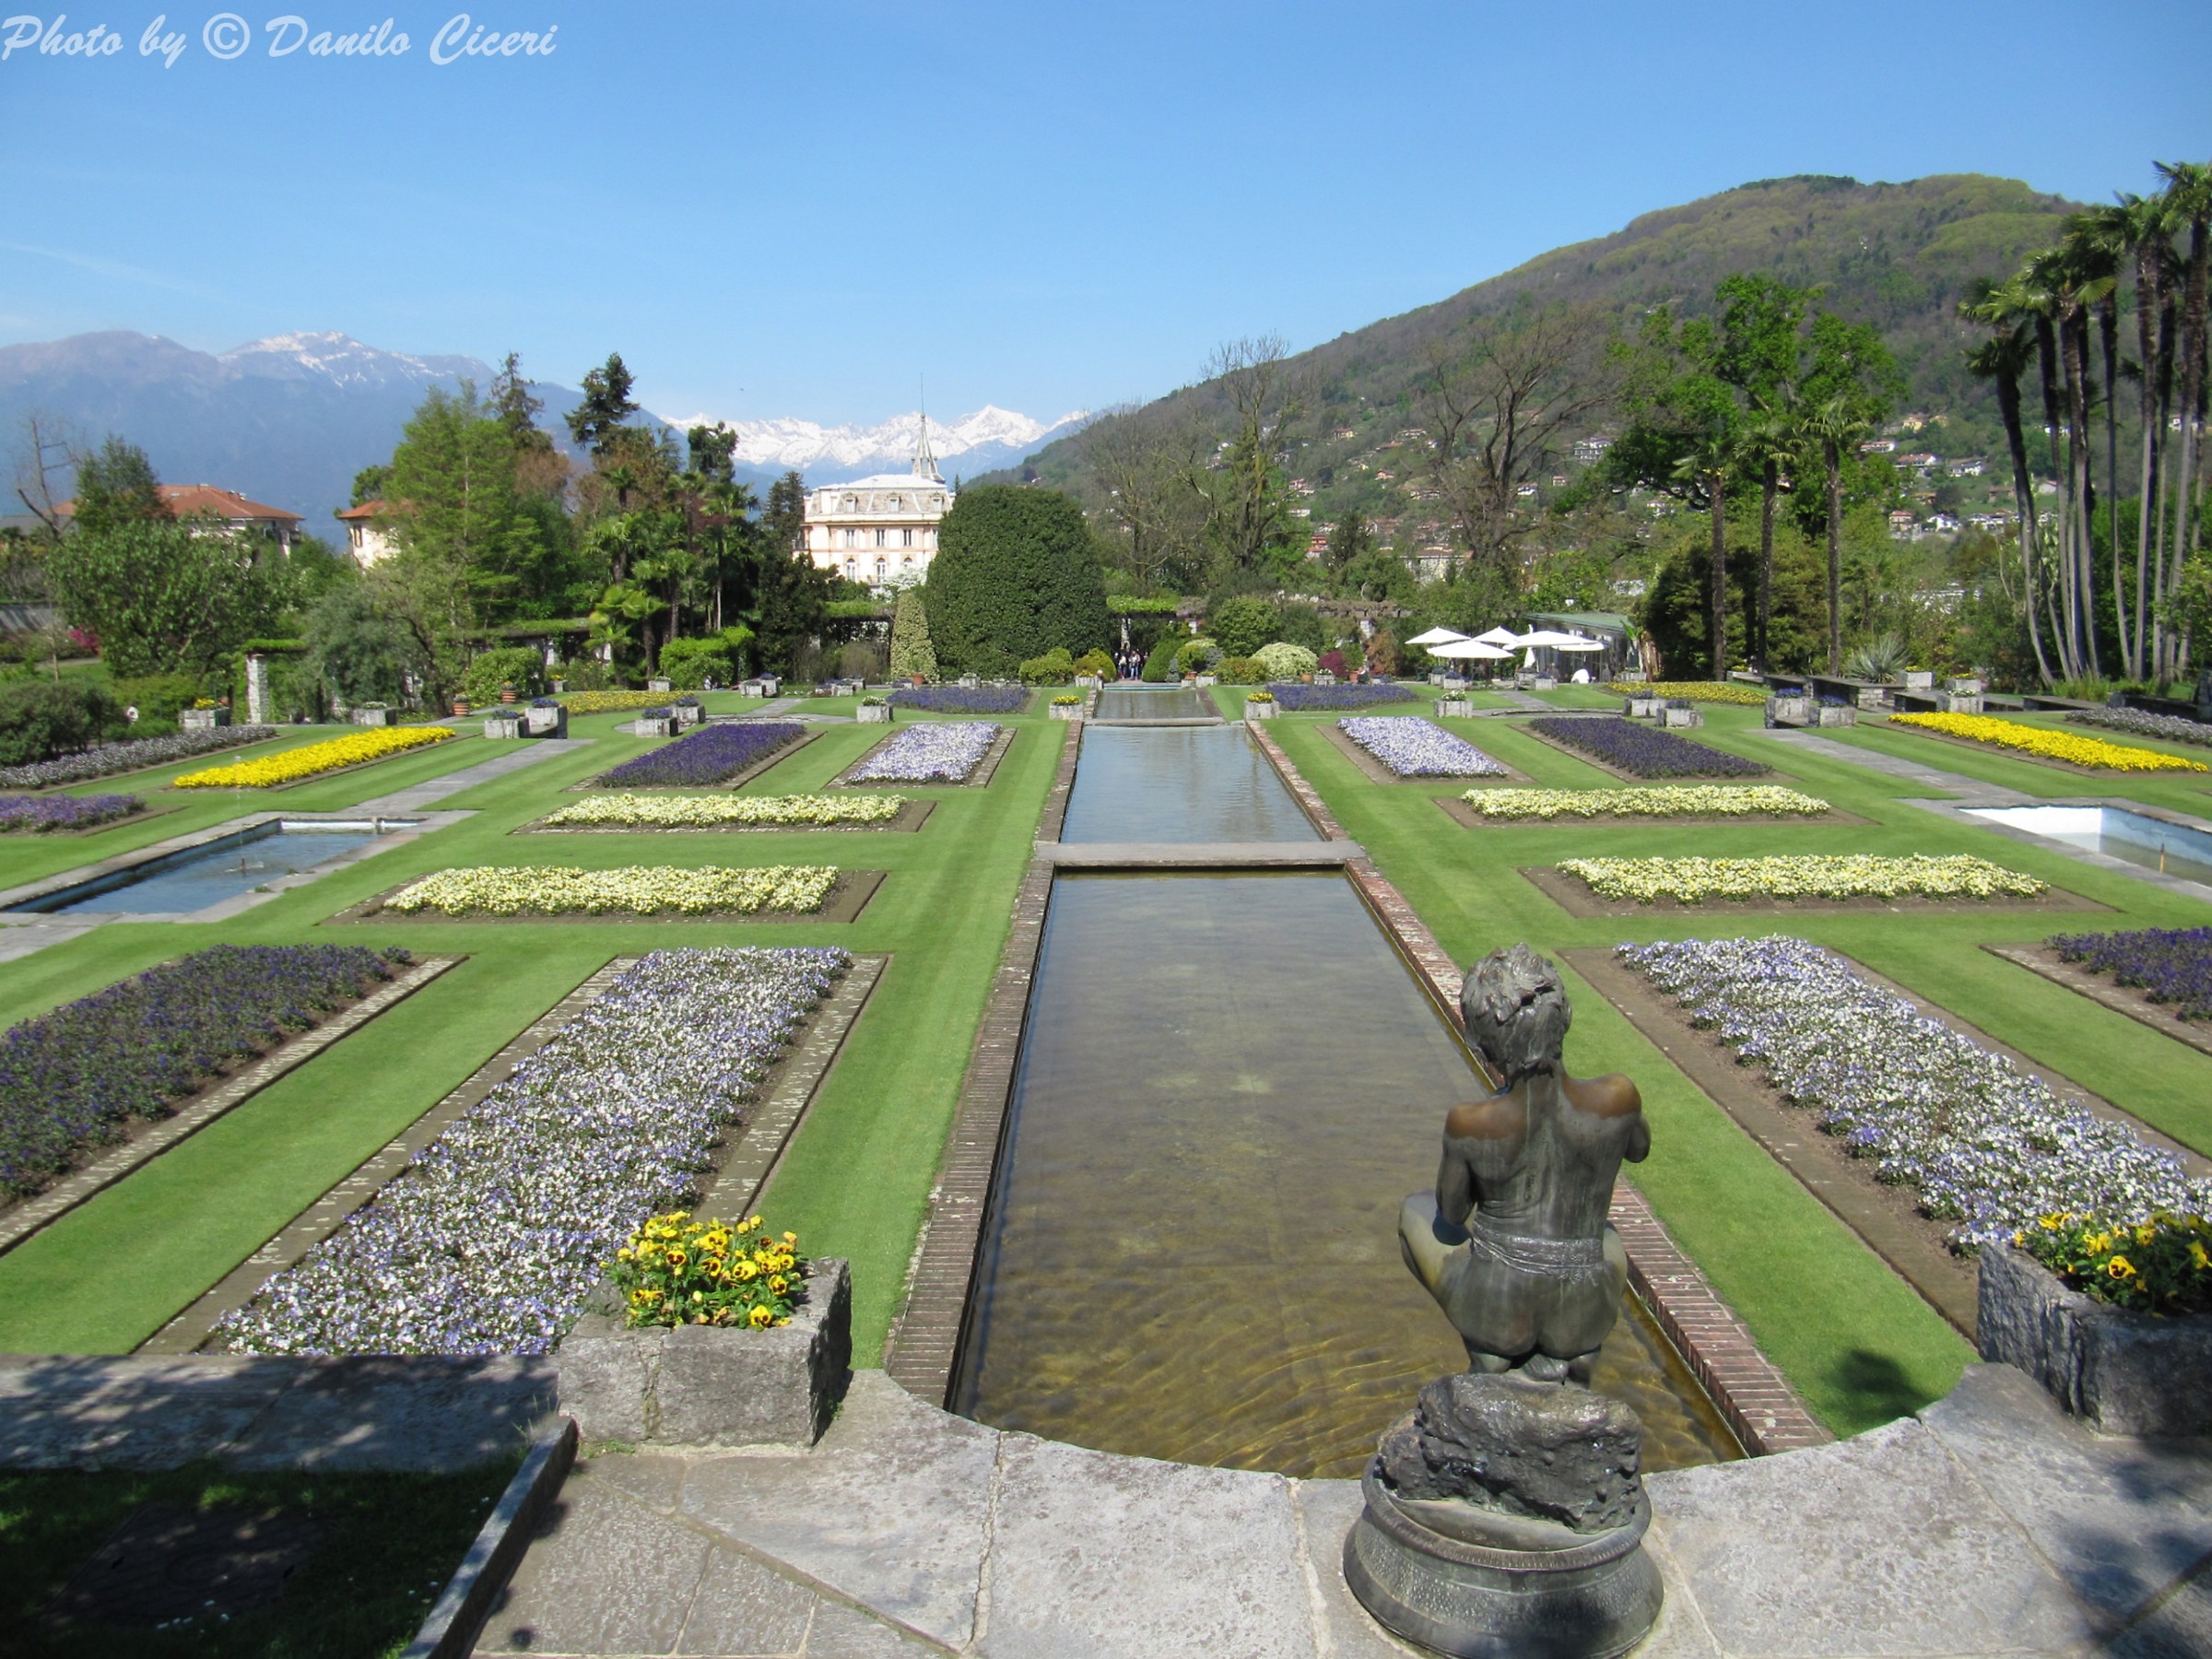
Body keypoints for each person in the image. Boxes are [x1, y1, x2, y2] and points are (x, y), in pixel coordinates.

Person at [1399, 945, 1649, 1382]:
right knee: (1606, 1233)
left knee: (1414, 1210)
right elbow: (1639, 1149)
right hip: (1583, 1310)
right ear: (1563, 1018)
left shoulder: (1472, 1122)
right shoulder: (1618, 1096)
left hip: (1498, 1311)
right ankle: (1577, 1355)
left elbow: (1452, 1214)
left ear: (1483, 1045)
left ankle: (1488, 1352)